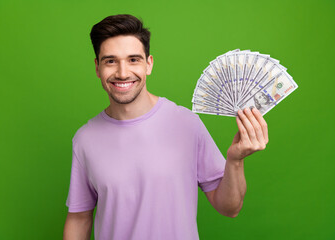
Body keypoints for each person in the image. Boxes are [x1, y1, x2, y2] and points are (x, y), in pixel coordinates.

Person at [63, 14, 269, 240]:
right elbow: (79, 218)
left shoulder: (186, 124)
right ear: (97, 67)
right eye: (110, 61)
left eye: (133, 59)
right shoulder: (85, 139)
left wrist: (235, 160)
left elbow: (230, 208)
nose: (122, 73)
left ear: (149, 64)